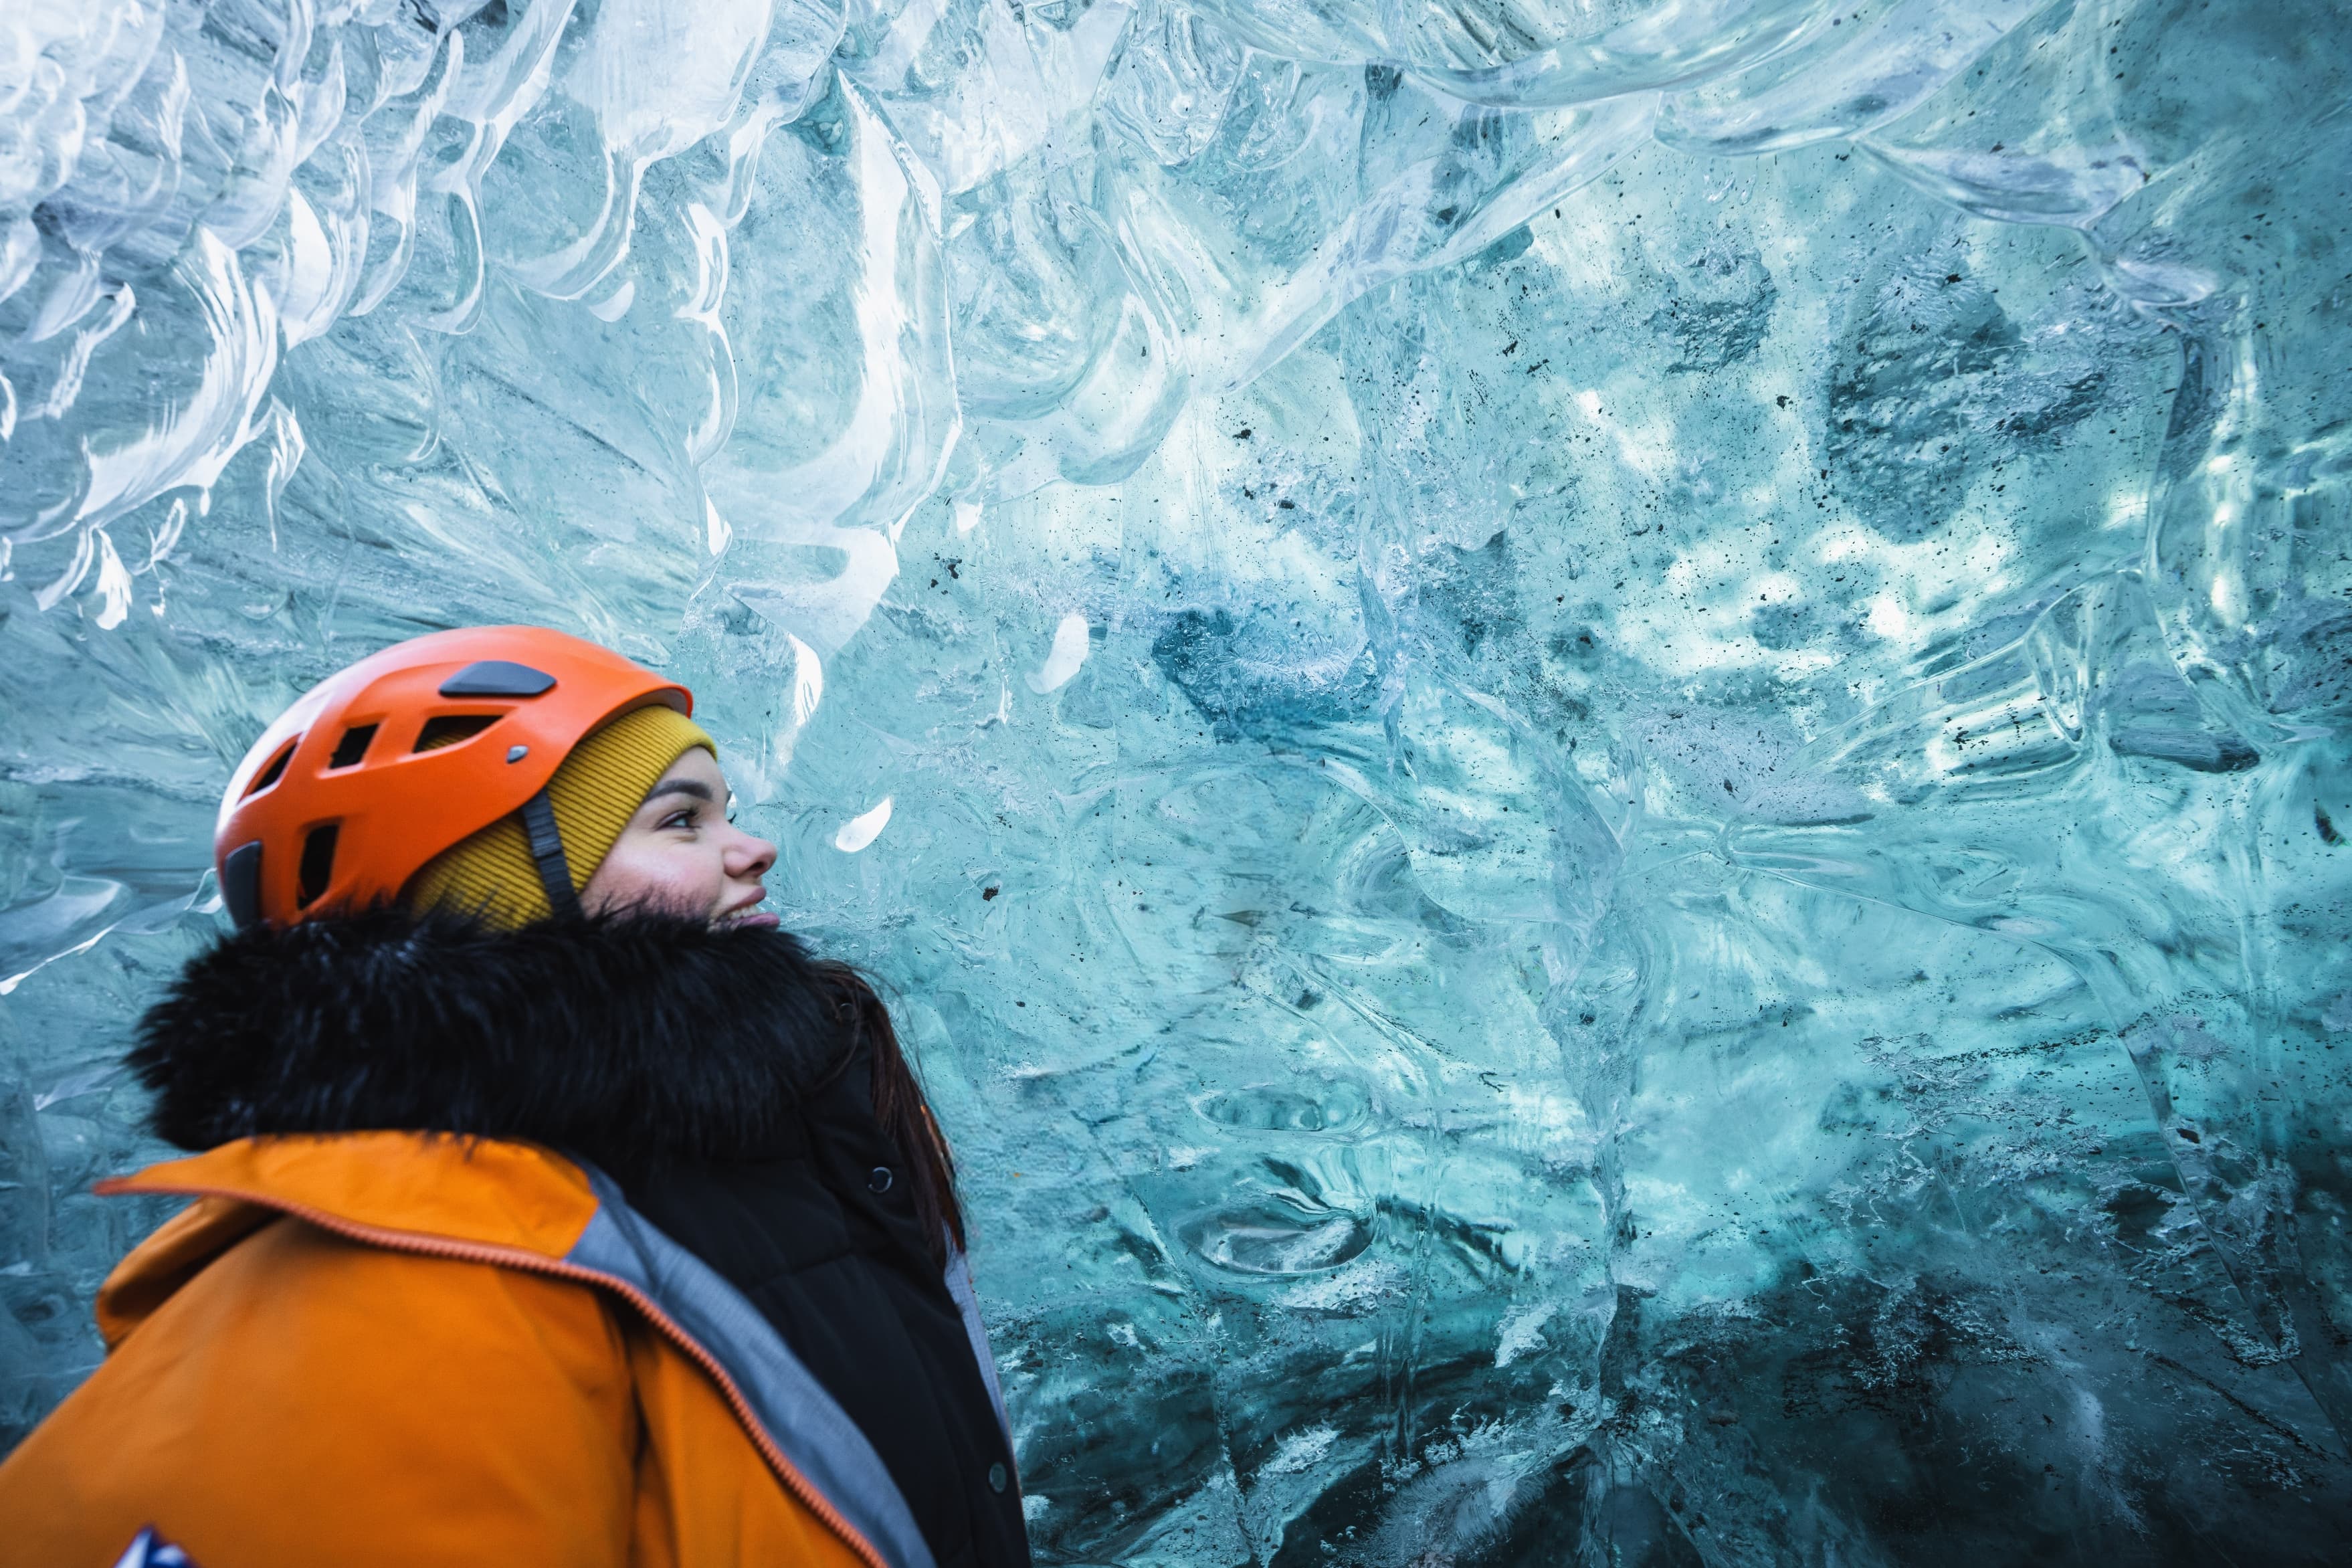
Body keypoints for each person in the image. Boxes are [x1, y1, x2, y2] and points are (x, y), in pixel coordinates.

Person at [0, 626, 1030, 1568]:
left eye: (729, 812)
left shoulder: (777, 1132)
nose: (751, 848)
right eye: (681, 819)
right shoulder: (397, 1274)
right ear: (498, 893)